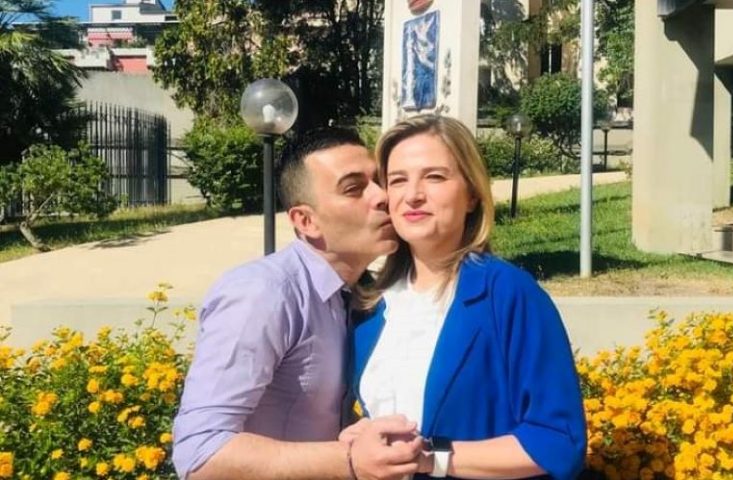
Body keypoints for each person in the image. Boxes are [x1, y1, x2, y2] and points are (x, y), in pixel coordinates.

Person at [173, 128, 426, 480]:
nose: (382, 196)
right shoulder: (263, 293)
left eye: (379, 181)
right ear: (306, 221)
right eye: (353, 188)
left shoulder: (362, 293)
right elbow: (200, 453)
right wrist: (349, 459)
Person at [346, 115, 587, 480]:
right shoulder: (372, 305)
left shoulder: (508, 295)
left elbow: (558, 441)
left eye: (435, 177)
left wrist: (430, 458)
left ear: (472, 194)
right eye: (398, 180)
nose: (413, 194)